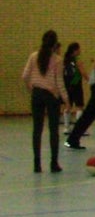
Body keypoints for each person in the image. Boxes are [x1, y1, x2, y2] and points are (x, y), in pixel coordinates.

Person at [23, 29, 68, 173]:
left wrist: (32, 88)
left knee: (37, 129)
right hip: (51, 96)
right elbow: (60, 82)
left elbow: (25, 76)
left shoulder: (33, 56)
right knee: (53, 130)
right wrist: (66, 100)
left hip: (36, 94)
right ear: (55, 44)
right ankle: (53, 163)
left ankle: (37, 164)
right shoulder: (57, 60)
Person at [61, 42, 85, 135]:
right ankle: (79, 129)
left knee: (68, 105)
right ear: (75, 50)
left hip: (67, 85)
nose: (80, 51)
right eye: (79, 49)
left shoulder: (65, 60)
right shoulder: (77, 60)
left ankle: (66, 127)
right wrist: (89, 80)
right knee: (79, 106)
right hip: (76, 85)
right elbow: (83, 72)